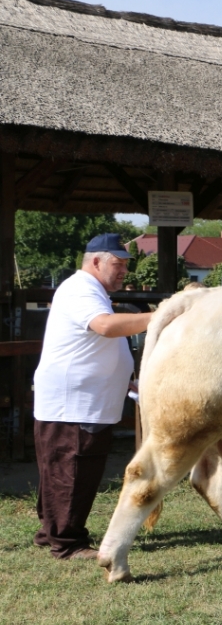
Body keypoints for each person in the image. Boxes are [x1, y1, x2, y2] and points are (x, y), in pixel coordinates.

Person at [32, 234, 153, 560]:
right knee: (73, 470)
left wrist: (125, 381)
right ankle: (67, 543)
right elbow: (105, 326)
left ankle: (52, 532)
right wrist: (161, 317)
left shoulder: (88, 290)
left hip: (81, 401)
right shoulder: (81, 289)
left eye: (126, 264)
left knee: (63, 469)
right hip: (75, 404)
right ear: (96, 261)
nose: (124, 270)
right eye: (118, 263)